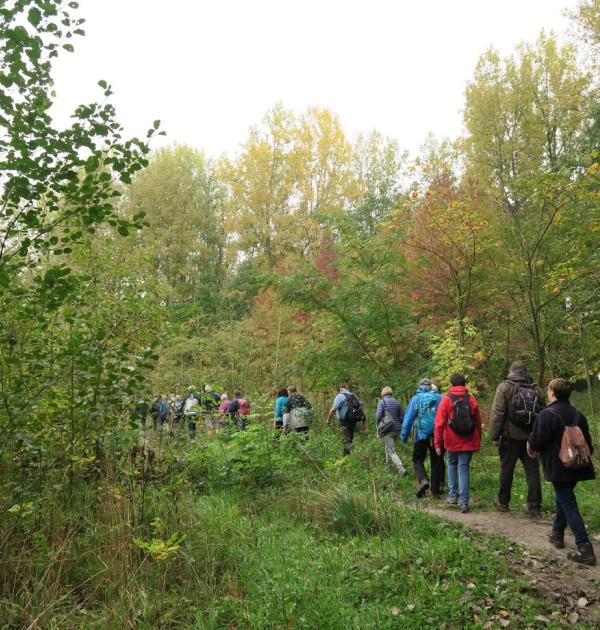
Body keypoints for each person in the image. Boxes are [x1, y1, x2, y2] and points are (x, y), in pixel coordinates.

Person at [527, 378, 596, 566]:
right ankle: (557, 533)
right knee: (563, 498)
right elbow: (588, 444)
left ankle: (584, 547)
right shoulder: (578, 414)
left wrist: (531, 447)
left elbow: (537, 441)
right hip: (578, 465)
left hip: (558, 466)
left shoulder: (547, 414)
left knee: (567, 502)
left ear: (552, 392)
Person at [489, 361, 544, 517]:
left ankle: (503, 501)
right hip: (531, 439)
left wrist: (494, 436)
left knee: (507, 468)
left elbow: (497, 414)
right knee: (532, 472)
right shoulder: (536, 390)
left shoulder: (504, 387)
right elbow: (542, 416)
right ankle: (534, 506)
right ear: (525, 373)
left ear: (511, 371)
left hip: (510, 437)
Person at [434, 373, 482, 513]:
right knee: (464, 468)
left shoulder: (446, 399)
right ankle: (464, 502)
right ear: (464, 384)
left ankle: (453, 496)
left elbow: (439, 424)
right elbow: (478, 422)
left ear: (451, 384)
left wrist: (437, 443)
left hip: (451, 441)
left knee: (452, 464)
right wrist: (478, 439)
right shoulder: (471, 399)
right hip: (468, 440)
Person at [401, 378, 444, 497]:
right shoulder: (439, 398)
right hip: (436, 434)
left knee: (417, 459)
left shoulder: (415, 399)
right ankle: (435, 491)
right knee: (436, 460)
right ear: (431, 386)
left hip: (421, 435)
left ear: (419, 387)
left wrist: (404, 436)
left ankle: (423, 480)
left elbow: (408, 420)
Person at [326, 384, 367, 455]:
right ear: (347, 389)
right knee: (349, 439)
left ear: (341, 389)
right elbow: (360, 410)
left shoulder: (340, 396)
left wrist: (328, 420)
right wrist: (364, 424)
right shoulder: (354, 396)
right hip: (354, 420)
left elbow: (333, 410)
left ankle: (356, 456)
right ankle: (345, 457)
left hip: (344, 421)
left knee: (346, 440)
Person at [375, 386, 407, 476]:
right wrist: (398, 424)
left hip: (387, 430)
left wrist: (378, 426)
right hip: (397, 429)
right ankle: (388, 467)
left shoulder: (382, 402)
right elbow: (402, 417)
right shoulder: (397, 402)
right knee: (388, 448)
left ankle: (401, 469)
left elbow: (378, 416)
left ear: (383, 393)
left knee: (391, 451)